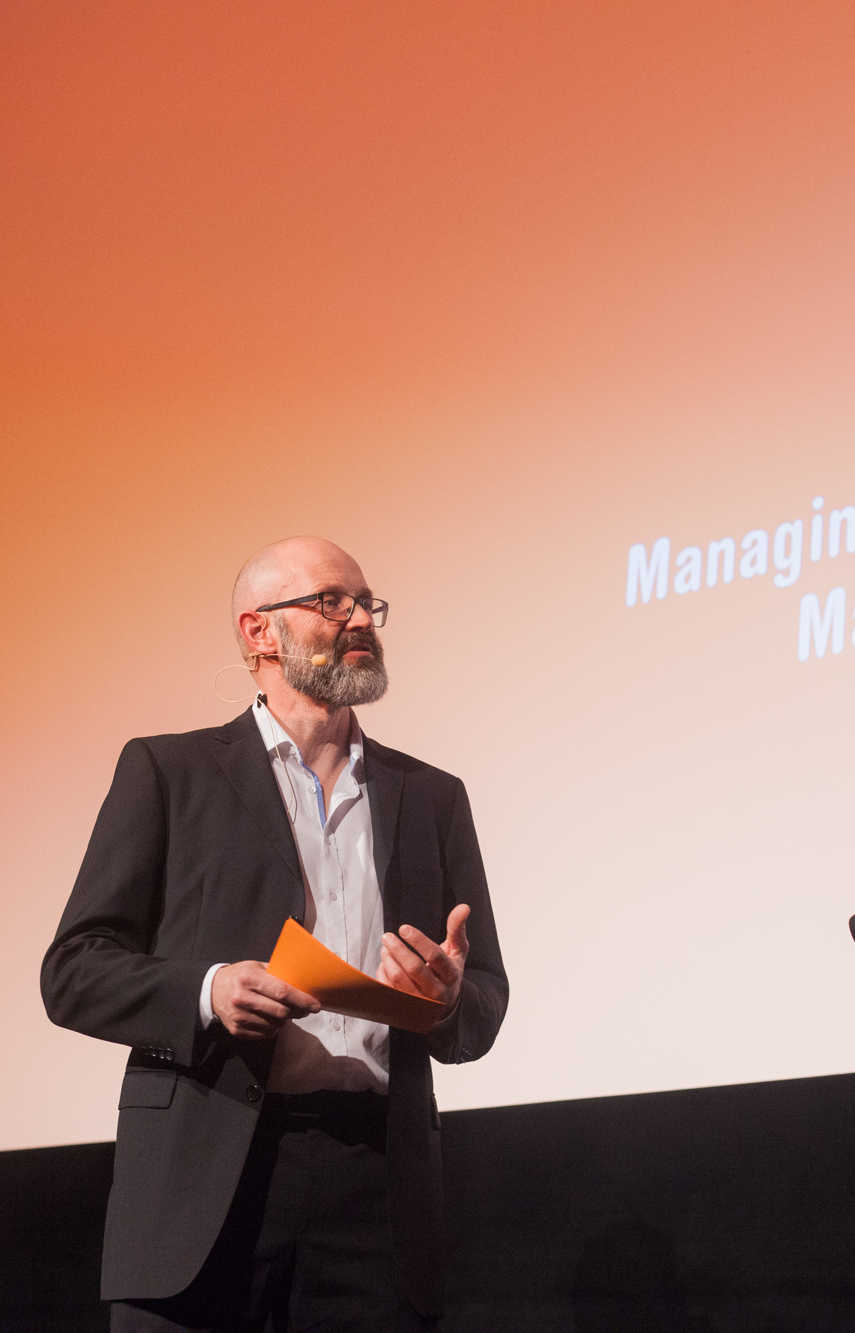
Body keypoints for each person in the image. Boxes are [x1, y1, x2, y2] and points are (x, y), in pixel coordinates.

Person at [42, 535, 507, 1332]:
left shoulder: (432, 797)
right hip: (209, 1174)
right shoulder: (169, 772)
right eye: (331, 601)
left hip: (375, 1192)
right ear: (259, 632)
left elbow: (484, 998)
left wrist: (448, 999)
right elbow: (74, 969)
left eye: (367, 603)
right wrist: (207, 989)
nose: (360, 618)